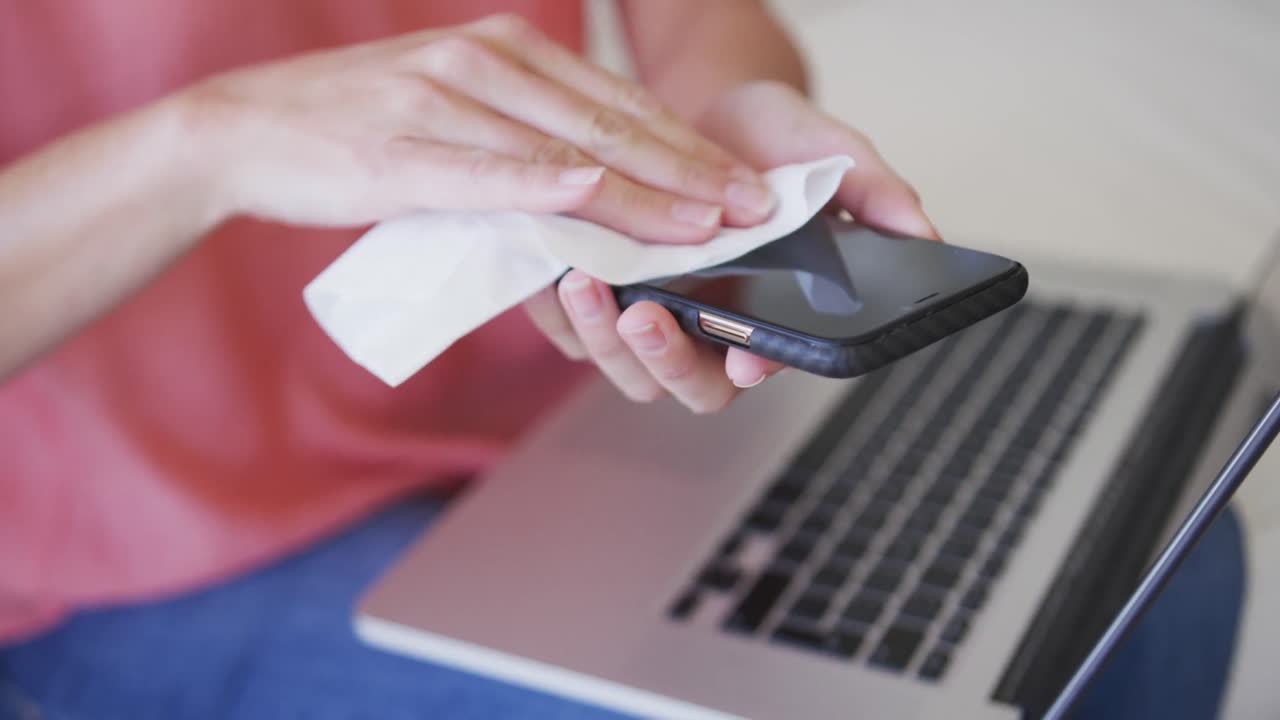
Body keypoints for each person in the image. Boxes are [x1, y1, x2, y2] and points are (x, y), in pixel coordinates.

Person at [0, 2, 1244, 717]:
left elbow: (694, 12)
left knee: (1158, 557)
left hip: (575, 378)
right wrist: (203, 146)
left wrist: (719, 108)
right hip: (148, 550)